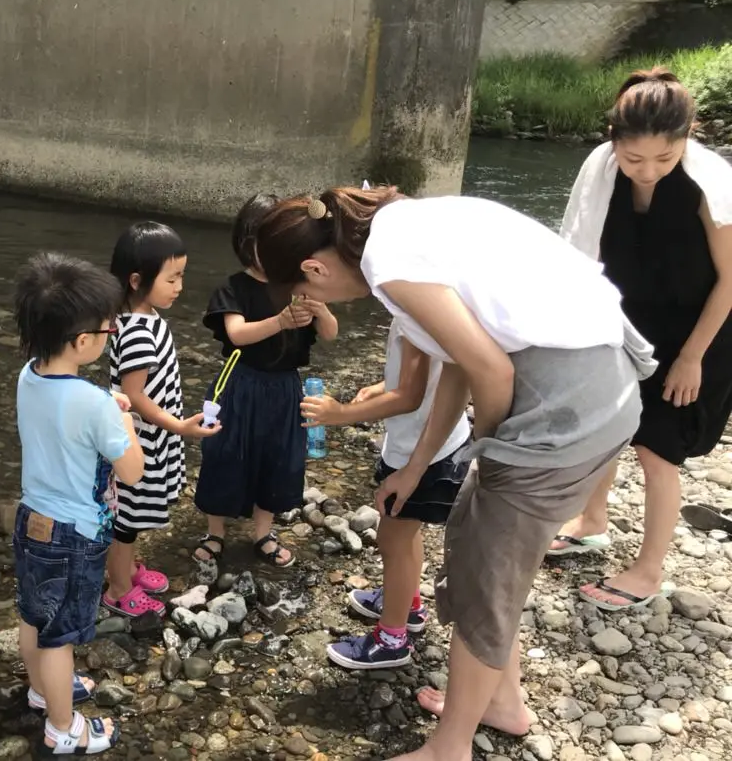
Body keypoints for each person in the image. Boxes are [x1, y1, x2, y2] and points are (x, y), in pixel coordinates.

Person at [254, 186, 655, 761]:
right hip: (600, 388)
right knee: (479, 550)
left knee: (486, 576)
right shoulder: (404, 224)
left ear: (313, 269)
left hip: (566, 409)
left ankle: (450, 747)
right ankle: (500, 701)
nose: (330, 302)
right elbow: (459, 365)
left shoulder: (387, 265)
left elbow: (489, 369)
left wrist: (489, 457)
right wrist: (417, 467)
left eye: (309, 292)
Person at [554, 69, 732, 610]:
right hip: (626, 320)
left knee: (658, 449)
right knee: (607, 428)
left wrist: (691, 358)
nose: (649, 172)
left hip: (700, 330)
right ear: (613, 142)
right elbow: (582, 257)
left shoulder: (708, 184)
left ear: (687, 139)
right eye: (634, 161)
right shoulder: (600, 173)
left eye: (665, 159)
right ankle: (592, 519)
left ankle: (649, 570)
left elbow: (731, 280)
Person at [12, 252, 144, 755]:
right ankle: (64, 730)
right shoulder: (94, 404)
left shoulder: (30, 374)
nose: (111, 334)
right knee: (59, 637)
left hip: (32, 522)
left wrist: (107, 412)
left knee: (33, 616)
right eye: (107, 330)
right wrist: (125, 421)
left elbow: (63, 418)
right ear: (83, 342)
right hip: (74, 535)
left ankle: (42, 692)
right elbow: (132, 472)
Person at [303, 317, 471, 670]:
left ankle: (392, 639)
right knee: (406, 530)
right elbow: (424, 374)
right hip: (430, 444)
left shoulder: (413, 308)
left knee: (393, 538)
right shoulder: (423, 302)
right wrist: (384, 386)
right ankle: (406, 604)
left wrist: (341, 414)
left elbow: (410, 395)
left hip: (423, 451)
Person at [192, 194, 338, 577]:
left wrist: (320, 308)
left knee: (277, 457)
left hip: (285, 388)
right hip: (238, 382)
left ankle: (263, 533)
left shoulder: (298, 285)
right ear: (247, 242)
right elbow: (237, 334)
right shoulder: (234, 287)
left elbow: (331, 332)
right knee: (225, 454)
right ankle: (214, 532)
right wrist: (281, 321)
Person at [105, 222, 220, 618]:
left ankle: (128, 566)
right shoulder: (136, 329)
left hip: (151, 436)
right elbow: (134, 397)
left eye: (181, 276)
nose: (180, 286)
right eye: (172, 278)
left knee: (131, 516)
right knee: (126, 519)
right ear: (138, 279)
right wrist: (180, 427)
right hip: (138, 440)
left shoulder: (145, 317)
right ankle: (117, 588)